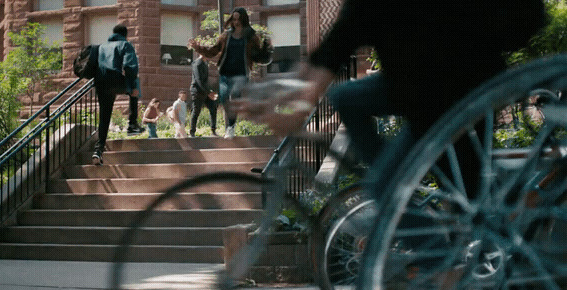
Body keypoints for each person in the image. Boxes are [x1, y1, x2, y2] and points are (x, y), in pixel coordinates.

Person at [235, 0, 546, 198]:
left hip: (455, 94)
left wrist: (296, 104)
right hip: (421, 84)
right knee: (346, 95)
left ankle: (438, 263)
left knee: (388, 186)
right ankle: (398, 186)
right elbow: (333, 48)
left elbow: (333, 51)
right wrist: (286, 90)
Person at [188, 7, 271, 139]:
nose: (236, 21)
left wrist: (267, 47)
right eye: (234, 18)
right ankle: (230, 126)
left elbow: (258, 57)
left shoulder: (250, 36)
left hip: (241, 74)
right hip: (225, 73)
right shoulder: (226, 35)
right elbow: (214, 51)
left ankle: (230, 127)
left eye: (238, 19)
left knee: (235, 98)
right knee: (225, 99)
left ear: (243, 19)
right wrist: (198, 47)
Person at [92, 24, 139, 165]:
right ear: (125, 34)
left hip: (100, 83)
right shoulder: (125, 45)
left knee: (104, 116)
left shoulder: (101, 46)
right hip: (116, 81)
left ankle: (98, 150)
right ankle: (132, 124)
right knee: (136, 85)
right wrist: (131, 87)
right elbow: (130, 66)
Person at [189, 54, 218, 137]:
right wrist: (209, 92)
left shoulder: (205, 63)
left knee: (213, 107)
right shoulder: (197, 64)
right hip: (197, 91)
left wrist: (210, 91)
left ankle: (213, 130)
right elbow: (198, 81)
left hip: (205, 91)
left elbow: (205, 81)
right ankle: (192, 132)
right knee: (196, 111)